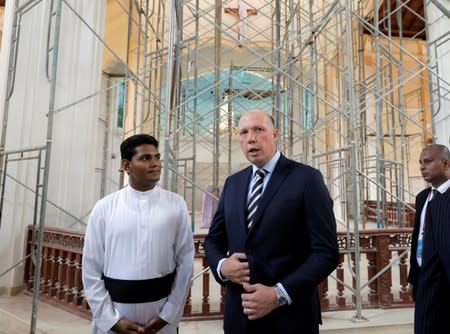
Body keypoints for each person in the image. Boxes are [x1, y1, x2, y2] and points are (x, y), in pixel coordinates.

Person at [204, 110, 339, 334]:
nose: (251, 138)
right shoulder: (233, 183)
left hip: (290, 317)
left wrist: (278, 294)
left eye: (259, 130)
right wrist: (222, 266)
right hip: (240, 315)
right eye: (244, 132)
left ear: (275, 134)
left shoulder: (306, 179)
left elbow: (326, 253)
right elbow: (213, 240)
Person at [82, 134, 194, 334]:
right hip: (115, 312)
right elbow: (91, 267)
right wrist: (111, 320)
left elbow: (185, 261)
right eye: (145, 158)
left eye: (157, 157)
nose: (155, 164)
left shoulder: (176, 204)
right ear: (127, 165)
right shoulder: (105, 208)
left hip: (160, 313)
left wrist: (167, 316)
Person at [410, 144, 450, 334]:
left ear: (446, 164)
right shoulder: (423, 197)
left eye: (428, 161)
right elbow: (418, 235)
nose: (422, 167)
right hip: (425, 278)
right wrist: (414, 277)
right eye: (420, 162)